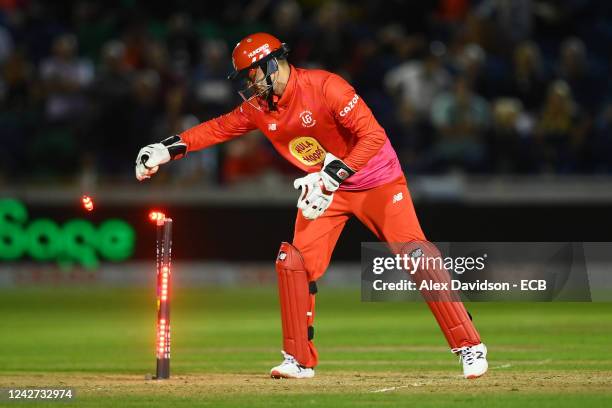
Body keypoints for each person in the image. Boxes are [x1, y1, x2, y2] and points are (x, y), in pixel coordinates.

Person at [134, 33, 488, 380]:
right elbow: (220, 127)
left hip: (376, 181)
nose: (249, 82)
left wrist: (334, 174)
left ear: (272, 64)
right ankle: (299, 360)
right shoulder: (261, 107)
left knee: (416, 256)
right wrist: (168, 148)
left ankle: (469, 346)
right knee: (294, 263)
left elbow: (374, 136)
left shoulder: (326, 87)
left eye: (252, 73)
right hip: (325, 189)